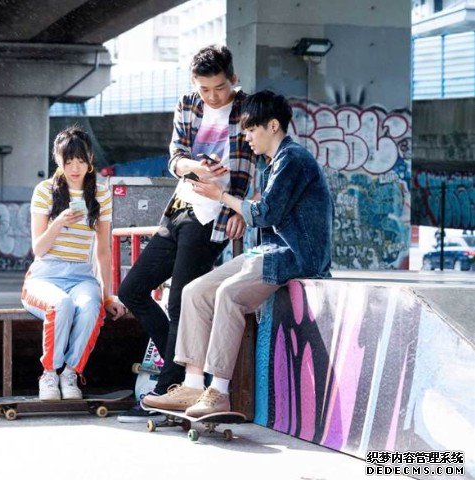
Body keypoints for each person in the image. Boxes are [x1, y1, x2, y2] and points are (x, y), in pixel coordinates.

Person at [142, 90, 333, 416]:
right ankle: (192, 385)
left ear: (273, 125)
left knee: (228, 294)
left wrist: (221, 196)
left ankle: (218, 391)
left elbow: (265, 214)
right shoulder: (273, 163)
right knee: (194, 292)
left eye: (251, 130)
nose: (247, 138)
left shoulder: (293, 159)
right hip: (270, 251)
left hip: (296, 256)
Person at [117, 45, 256, 422]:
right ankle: (183, 374)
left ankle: (167, 389)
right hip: (179, 208)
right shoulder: (188, 104)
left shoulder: (248, 109)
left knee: (180, 300)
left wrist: (240, 208)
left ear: (233, 79)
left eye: (220, 87)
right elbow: (175, 159)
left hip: (213, 217)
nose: (213, 96)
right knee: (132, 290)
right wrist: (196, 166)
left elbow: (263, 162)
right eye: (205, 89)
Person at [23, 127, 127, 400]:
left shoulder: (100, 194)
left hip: (82, 275)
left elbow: (103, 251)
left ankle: (70, 374)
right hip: (45, 275)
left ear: (90, 159)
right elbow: (38, 249)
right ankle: (49, 374)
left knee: (92, 307)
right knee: (61, 304)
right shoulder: (44, 191)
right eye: (68, 161)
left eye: (81, 160)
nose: (75, 168)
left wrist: (107, 295)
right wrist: (58, 222)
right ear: (58, 160)